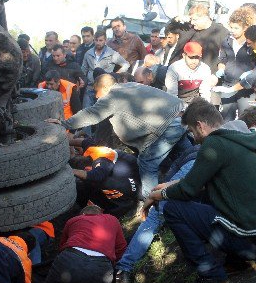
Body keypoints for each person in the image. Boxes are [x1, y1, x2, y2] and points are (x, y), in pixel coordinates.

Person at [145, 99, 256, 283]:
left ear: (200, 126)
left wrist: (158, 195)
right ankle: (234, 262)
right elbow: (199, 179)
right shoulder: (244, 136)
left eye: (193, 132)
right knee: (210, 199)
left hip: (251, 243)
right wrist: (168, 185)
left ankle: (212, 275)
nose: (194, 138)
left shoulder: (215, 143)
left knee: (173, 209)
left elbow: (188, 190)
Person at [51, 74, 189, 199]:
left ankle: (152, 204)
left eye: (96, 92)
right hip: (181, 116)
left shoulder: (112, 96)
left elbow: (91, 114)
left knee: (147, 164)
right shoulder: (128, 85)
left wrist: (64, 124)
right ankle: (191, 187)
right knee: (187, 157)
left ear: (105, 88)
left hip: (167, 125)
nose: (96, 97)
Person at [114, 144, 200, 283]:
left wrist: (159, 196)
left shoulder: (195, 148)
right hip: (196, 166)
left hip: (194, 165)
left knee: (155, 216)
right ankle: (124, 268)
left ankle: (124, 268)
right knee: (159, 214)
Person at [72, 146, 141, 219]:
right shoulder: (98, 154)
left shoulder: (101, 172)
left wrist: (72, 171)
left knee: (95, 182)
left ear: (86, 169)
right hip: (138, 169)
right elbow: (85, 141)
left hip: (132, 193)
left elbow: (96, 176)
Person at [216, 7, 256, 121]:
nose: (232, 30)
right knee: (226, 119)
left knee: (247, 119)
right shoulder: (227, 41)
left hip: (246, 88)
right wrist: (220, 69)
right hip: (228, 85)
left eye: (236, 28)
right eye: (231, 27)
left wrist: (251, 73)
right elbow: (222, 59)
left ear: (245, 28)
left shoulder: (252, 43)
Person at [168, 3, 229, 74]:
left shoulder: (221, 31)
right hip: (186, 75)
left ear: (205, 18)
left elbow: (226, 55)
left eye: (195, 19)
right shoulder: (189, 28)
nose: (192, 22)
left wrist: (218, 72)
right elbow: (169, 29)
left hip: (210, 76)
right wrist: (176, 19)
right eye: (191, 19)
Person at [80, 30, 130, 109]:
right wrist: (82, 79)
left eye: (101, 40)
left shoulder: (112, 53)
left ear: (105, 40)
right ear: (94, 40)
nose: (98, 43)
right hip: (90, 87)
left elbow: (126, 64)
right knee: (86, 112)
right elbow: (83, 70)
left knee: (102, 113)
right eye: (96, 40)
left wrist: (115, 75)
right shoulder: (88, 53)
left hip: (105, 89)